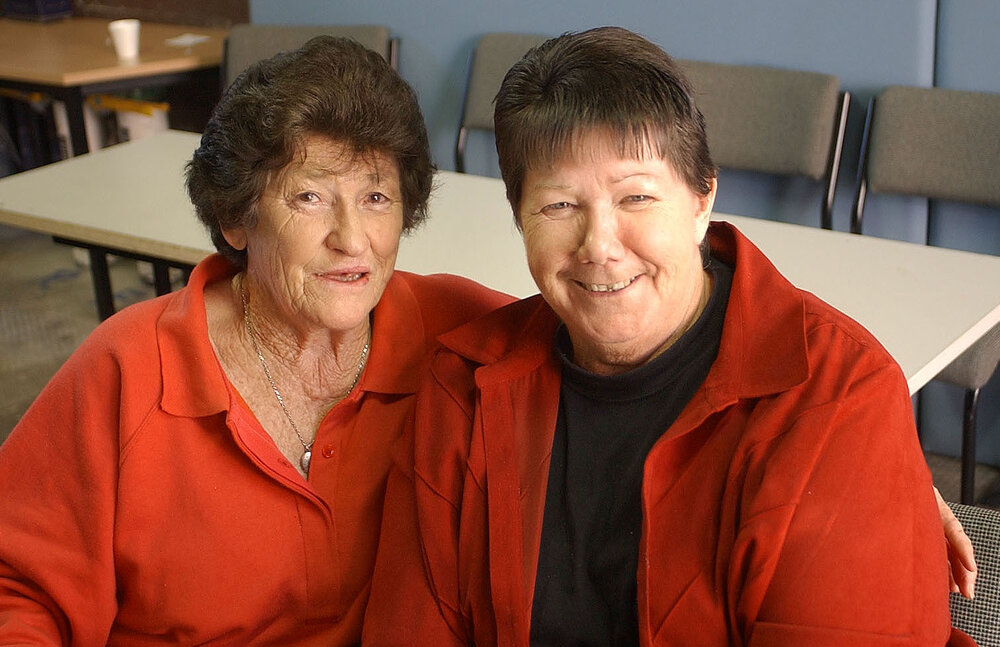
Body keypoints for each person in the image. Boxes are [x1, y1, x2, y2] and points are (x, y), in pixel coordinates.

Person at [363, 27, 977, 645]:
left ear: (702, 199)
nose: (599, 245)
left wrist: (886, 465)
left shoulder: (840, 401)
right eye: (558, 206)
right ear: (520, 217)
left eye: (636, 197)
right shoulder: (463, 382)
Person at [0, 36, 510, 644]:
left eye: (375, 197)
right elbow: (19, 593)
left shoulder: (455, 333)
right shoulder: (131, 368)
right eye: (310, 196)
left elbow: (602, 353)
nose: (351, 238)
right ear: (236, 218)